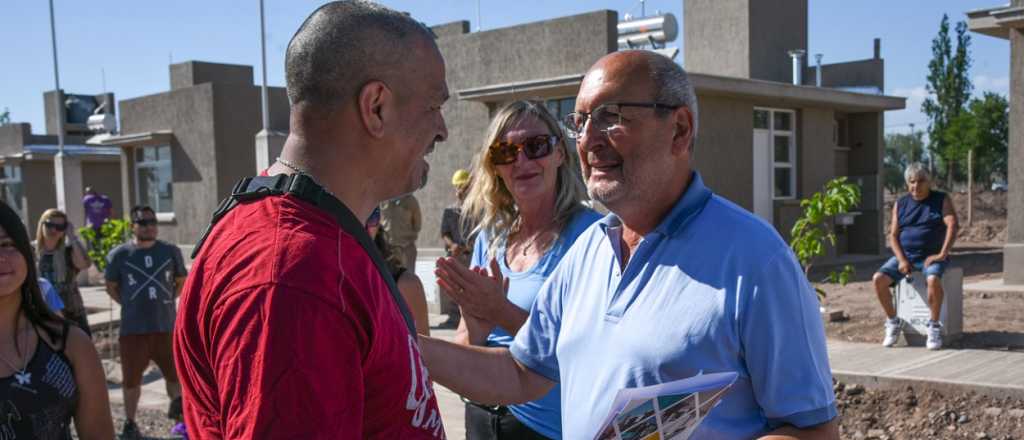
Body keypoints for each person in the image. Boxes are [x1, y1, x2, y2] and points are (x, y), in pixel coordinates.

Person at [420, 50, 839, 440]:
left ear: (679, 130)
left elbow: (813, 430)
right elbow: (519, 374)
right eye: (580, 122)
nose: (588, 140)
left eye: (610, 117)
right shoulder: (590, 250)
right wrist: (397, 344)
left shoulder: (755, 259)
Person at [173, 1, 449, 438]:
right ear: (375, 107)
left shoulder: (318, 238)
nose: (443, 129)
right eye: (434, 106)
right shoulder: (290, 274)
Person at [435, 100, 601, 440]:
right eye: (505, 152)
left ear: (560, 154)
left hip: (548, 426)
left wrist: (501, 311)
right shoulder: (490, 236)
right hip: (482, 415)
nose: (522, 161)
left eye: (536, 146)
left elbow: (588, 354)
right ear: (494, 167)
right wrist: (478, 324)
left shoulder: (593, 236)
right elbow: (469, 340)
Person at [0, 200, 114, 438]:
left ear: (25, 253)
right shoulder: (41, 251)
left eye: (7, 244)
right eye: (51, 224)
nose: (0, 257)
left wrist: (72, 234)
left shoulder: (71, 345)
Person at [105, 205, 188, 438]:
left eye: (153, 222)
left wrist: (169, 298)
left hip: (165, 326)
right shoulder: (119, 255)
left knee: (174, 377)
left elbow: (181, 279)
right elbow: (111, 286)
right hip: (133, 329)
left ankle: (181, 424)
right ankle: (130, 424)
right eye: (143, 223)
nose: (150, 227)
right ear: (133, 226)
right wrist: (129, 303)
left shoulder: (170, 251)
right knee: (131, 380)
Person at [872, 163, 958, 350]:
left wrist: (942, 253)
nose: (916, 186)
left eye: (920, 181)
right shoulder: (901, 204)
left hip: (931, 256)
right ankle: (893, 321)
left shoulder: (941, 199)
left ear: (929, 182)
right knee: (878, 279)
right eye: (912, 182)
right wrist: (902, 260)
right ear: (907, 184)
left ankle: (934, 327)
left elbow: (952, 225)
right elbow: (893, 236)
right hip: (906, 255)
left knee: (934, 279)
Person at [368, 207, 431, 335]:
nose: (360, 223)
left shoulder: (405, 285)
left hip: (405, 249)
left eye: (372, 215)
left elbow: (422, 350)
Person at [34, 208, 92, 335]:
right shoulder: (30, 251)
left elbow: (84, 264)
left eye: (60, 226)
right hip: (41, 314)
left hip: (72, 313)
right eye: (49, 225)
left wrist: (72, 236)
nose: (54, 230)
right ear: (41, 225)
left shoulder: (69, 251)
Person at [438, 168, 473, 327]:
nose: (461, 191)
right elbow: (444, 232)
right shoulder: (450, 211)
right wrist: (453, 245)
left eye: (464, 187)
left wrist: (466, 246)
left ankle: (468, 318)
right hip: (455, 255)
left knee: (469, 287)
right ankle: (453, 317)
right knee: (452, 286)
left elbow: (480, 232)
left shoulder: (476, 211)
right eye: (459, 187)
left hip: (470, 255)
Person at [380, 193, 423, 271]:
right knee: (388, 279)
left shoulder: (410, 201)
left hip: (406, 249)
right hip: (388, 249)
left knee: (408, 278)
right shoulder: (384, 200)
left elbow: (417, 225)